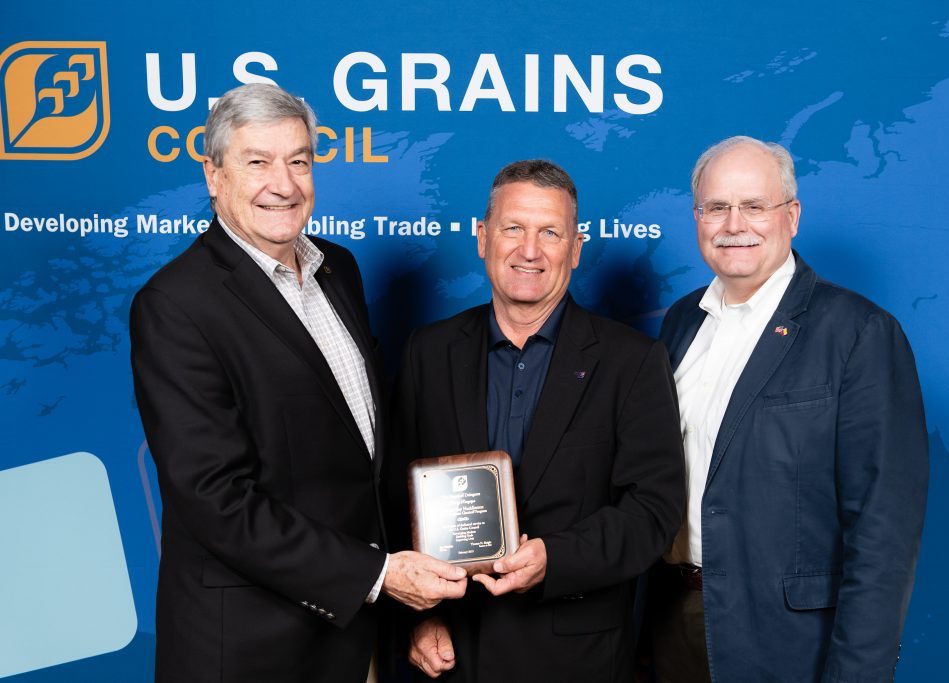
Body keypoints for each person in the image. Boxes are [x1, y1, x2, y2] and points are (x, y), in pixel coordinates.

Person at [130, 83, 466, 683]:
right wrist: (380, 576)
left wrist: (402, 595)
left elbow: (362, 458)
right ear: (214, 176)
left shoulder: (338, 270)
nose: (283, 184)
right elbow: (217, 500)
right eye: (257, 162)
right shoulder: (176, 305)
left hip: (354, 634)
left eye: (299, 161)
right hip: (252, 648)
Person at [392, 159, 684, 682]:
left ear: (574, 249)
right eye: (513, 228)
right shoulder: (428, 352)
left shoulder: (632, 361)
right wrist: (419, 617)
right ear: (482, 238)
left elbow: (653, 512)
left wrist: (556, 558)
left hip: (575, 659)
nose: (530, 250)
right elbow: (396, 499)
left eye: (550, 232)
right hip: (452, 654)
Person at [650, 135, 928, 682]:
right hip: (672, 621)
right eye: (717, 207)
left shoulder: (858, 333)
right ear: (697, 217)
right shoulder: (682, 322)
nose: (735, 224)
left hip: (789, 641)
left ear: (792, 216)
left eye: (754, 206)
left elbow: (883, 528)